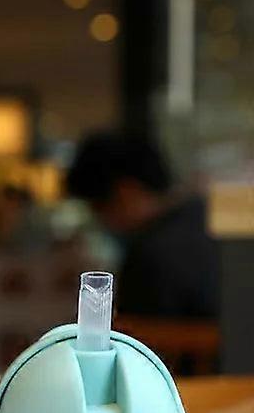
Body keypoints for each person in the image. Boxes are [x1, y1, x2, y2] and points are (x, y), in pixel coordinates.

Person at [66, 131, 218, 319]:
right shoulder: (211, 220)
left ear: (126, 194)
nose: (102, 222)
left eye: (98, 209)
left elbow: (136, 334)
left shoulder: (150, 257)